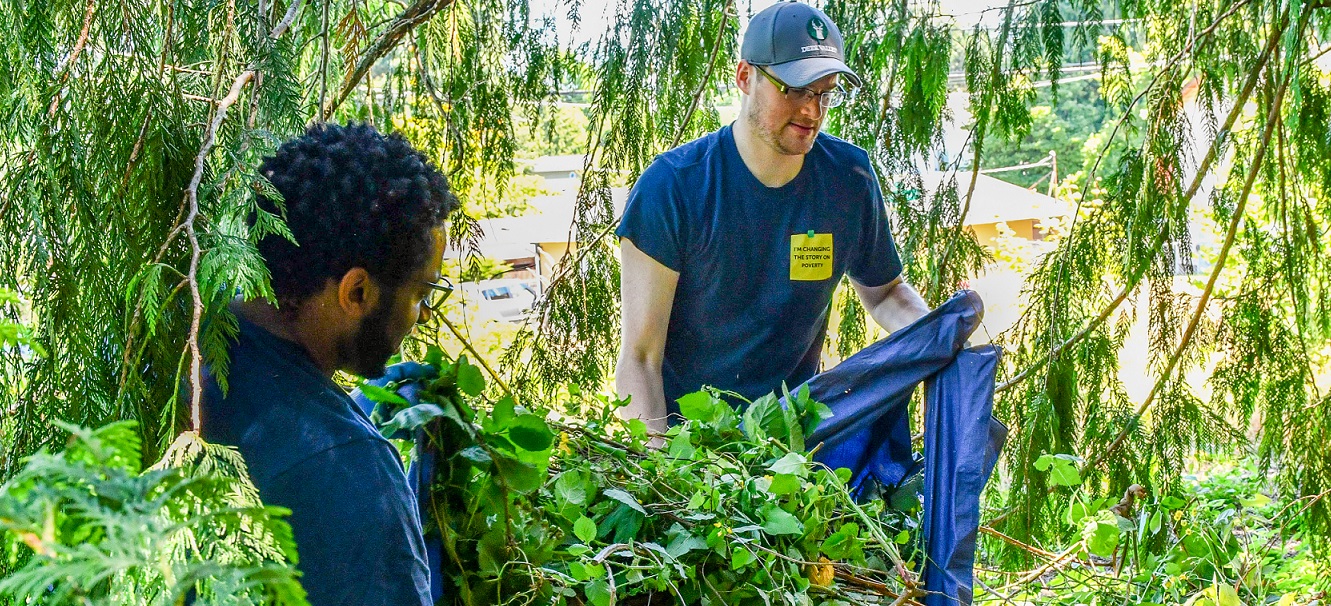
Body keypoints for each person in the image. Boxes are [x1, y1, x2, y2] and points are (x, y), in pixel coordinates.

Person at [615, 1, 931, 432]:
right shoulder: (672, 187)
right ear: (746, 77)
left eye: (824, 92)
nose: (812, 111)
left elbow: (886, 294)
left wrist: (937, 338)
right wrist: (661, 476)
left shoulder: (848, 178)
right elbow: (640, 357)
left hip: (795, 448)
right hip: (688, 448)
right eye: (795, 90)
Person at [201, 123, 458, 606]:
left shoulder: (178, 340)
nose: (423, 317)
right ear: (356, 292)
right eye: (421, 294)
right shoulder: (351, 470)